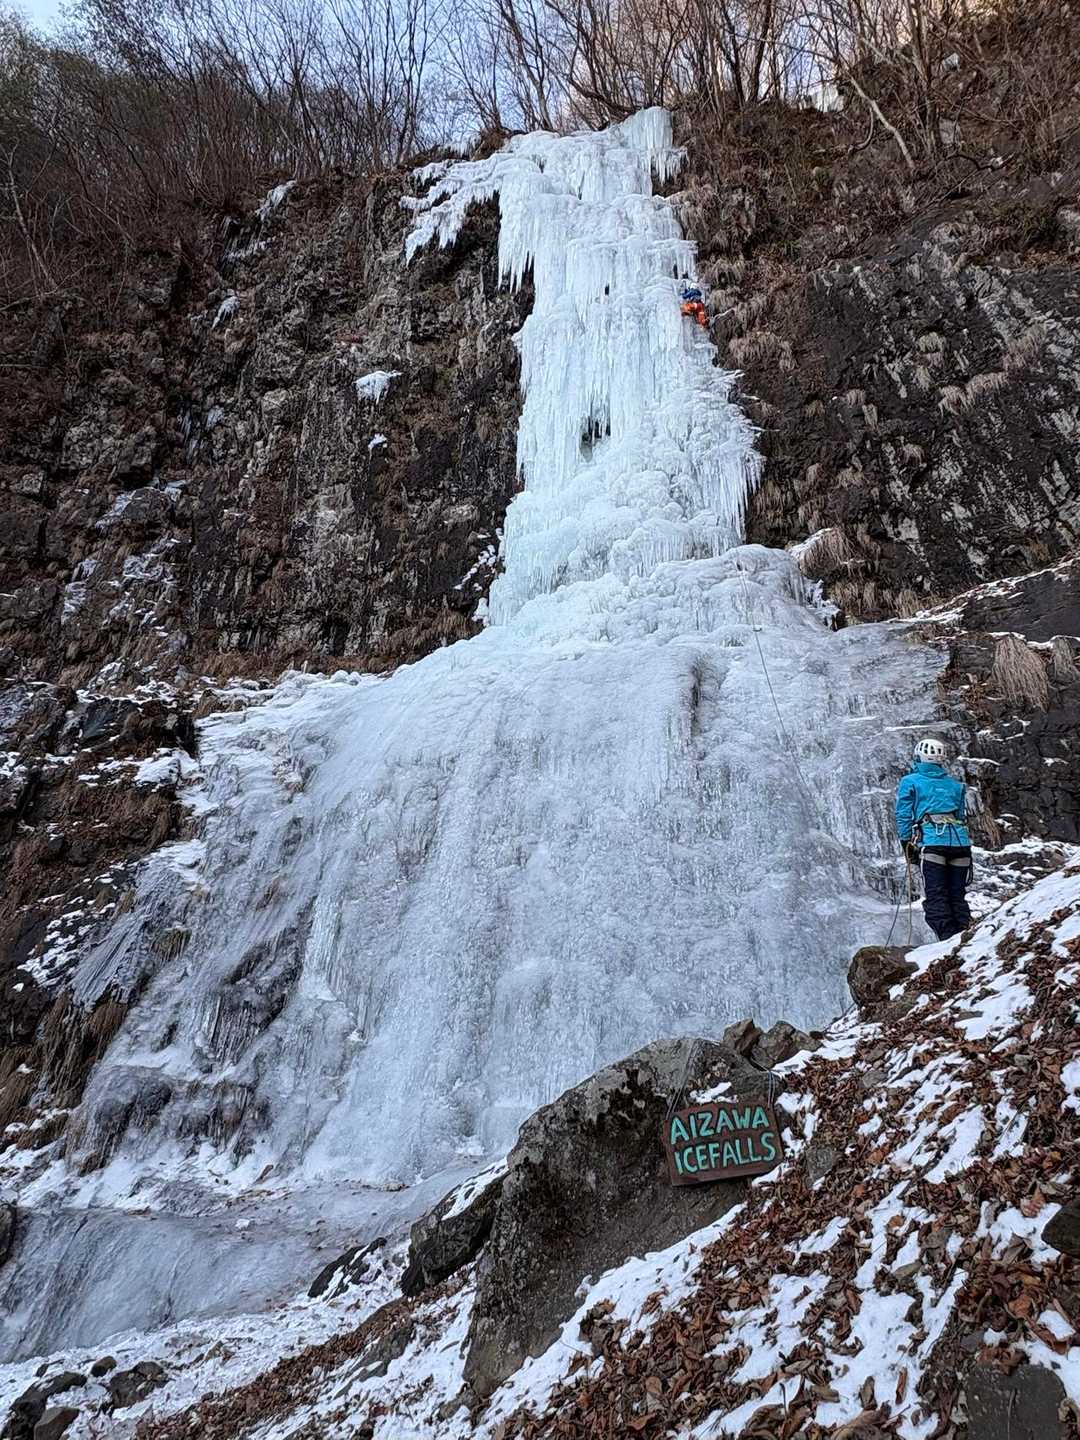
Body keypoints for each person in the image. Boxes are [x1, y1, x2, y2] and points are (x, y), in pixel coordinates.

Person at [895, 735, 972, 942]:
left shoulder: (910, 781)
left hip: (933, 843)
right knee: (957, 896)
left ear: (918, 757)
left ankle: (948, 941)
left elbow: (903, 814)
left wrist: (906, 843)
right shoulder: (956, 785)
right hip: (961, 844)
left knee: (937, 896)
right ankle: (966, 937)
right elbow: (961, 816)